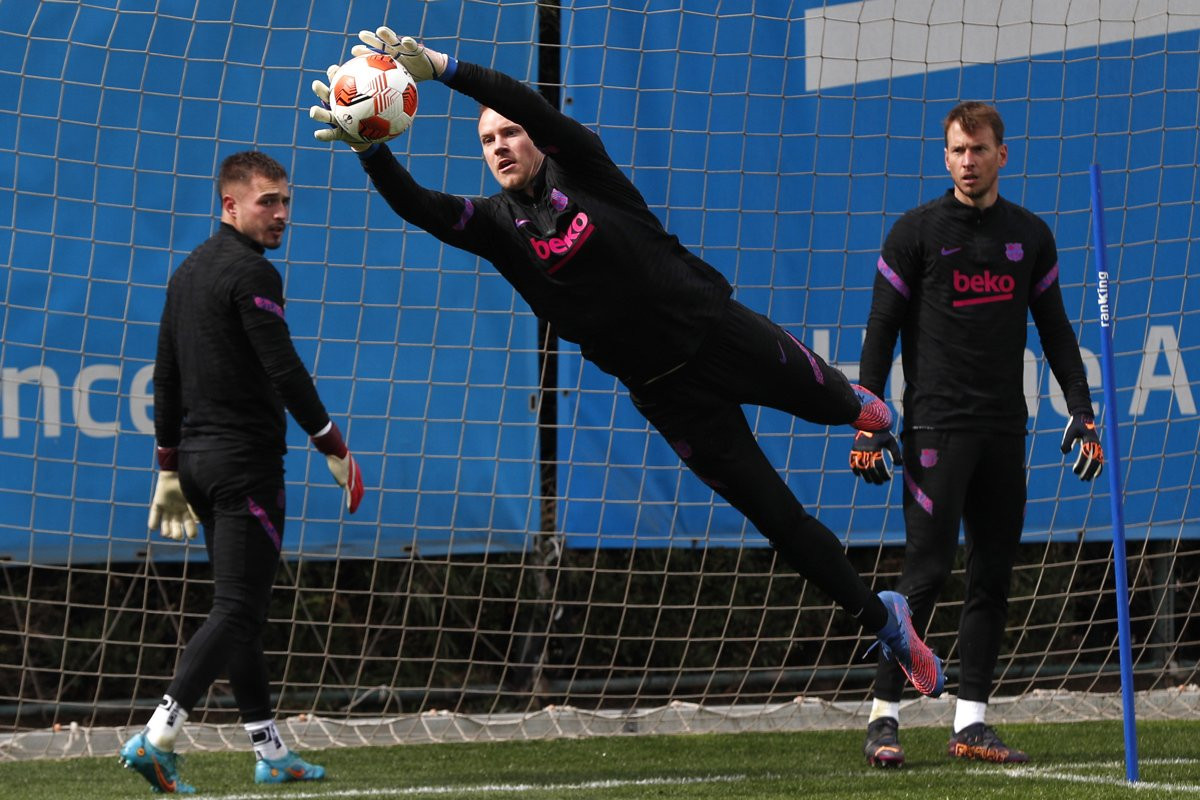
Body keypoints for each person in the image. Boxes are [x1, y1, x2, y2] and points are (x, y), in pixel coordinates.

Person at [308, 27, 946, 703]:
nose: (500, 146)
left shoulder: (584, 168)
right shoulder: (494, 226)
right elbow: (420, 208)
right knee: (780, 522)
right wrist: (371, 152)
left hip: (719, 330)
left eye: (510, 134)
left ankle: (871, 419)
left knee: (850, 407)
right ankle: (889, 624)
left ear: (534, 137)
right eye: (487, 141)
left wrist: (443, 68)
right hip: (670, 396)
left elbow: (531, 105)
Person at [850, 101, 1104, 768]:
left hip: (1004, 430)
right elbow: (879, 331)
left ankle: (971, 724)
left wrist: (1081, 409)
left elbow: (1056, 331)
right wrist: (870, 422)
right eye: (958, 151)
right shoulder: (916, 232)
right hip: (936, 426)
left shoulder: (1031, 236)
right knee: (925, 575)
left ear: (1002, 155)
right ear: (945, 157)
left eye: (980, 149)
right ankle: (883, 718)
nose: (969, 161)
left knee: (992, 576)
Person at [119, 150, 365, 794]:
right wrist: (334, 446)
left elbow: (165, 380)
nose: (282, 213)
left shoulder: (188, 271)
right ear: (230, 205)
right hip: (244, 465)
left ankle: (269, 749)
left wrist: (169, 468)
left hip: (199, 467)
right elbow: (284, 368)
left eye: (286, 200)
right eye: (267, 201)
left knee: (243, 610)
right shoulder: (250, 272)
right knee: (235, 608)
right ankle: (158, 736)